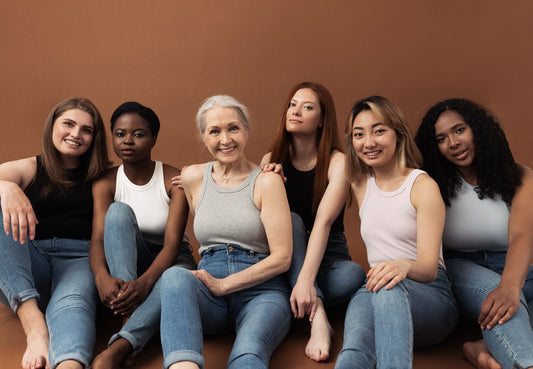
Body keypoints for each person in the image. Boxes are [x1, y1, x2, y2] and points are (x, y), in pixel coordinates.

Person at [160, 95, 293, 369]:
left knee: (248, 352)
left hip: (262, 292)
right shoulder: (192, 177)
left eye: (233, 128)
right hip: (210, 290)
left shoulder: (268, 181)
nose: (225, 139)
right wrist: (216, 287)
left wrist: (225, 285)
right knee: (174, 277)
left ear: (246, 130)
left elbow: (283, 258)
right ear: (203, 136)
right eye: (214, 131)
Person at [335, 95, 458, 369]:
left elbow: (429, 269)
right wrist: (273, 165)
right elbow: (312, 160)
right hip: (375, 288)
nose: (368, 142)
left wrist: (402, 265)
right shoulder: (358, 182)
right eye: (359, 134)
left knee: (389, 289)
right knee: (354, 350)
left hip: (430, 298)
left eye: (379, 131)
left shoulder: (422, 185)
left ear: (398, 135)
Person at [415, 98, 533, 369]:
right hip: (461, 269)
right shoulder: (430, 183)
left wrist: (511, 286)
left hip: (513, 266)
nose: (453, 143)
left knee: (508, 295)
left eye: (459, 130)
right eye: (442, 138)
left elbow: (521, 236)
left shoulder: (520, 177)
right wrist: (504, 289)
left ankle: (483, 346)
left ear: (478, 130)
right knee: (497, 296)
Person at [0, 97, 109, 369]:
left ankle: (69, 363)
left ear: (94, 138)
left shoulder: (106, 175)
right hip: (27, 267)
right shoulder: (31, 167)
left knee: (74, 308)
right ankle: (34, 325)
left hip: (79, 263)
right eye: (68, 124)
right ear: (52, 127)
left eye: (86, 130)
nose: (75, 134)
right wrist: (7, 188)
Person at [260, 81, 366, 362]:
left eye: (307, 107)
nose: (296, 111)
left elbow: (323, 223)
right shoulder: (272, 160)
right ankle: (318, 315)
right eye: (292, 105)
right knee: (291, 221)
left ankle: (300, 294)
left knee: (354, 275)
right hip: (285, 255)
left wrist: (306, 280)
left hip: (328, 255)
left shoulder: (338, 162)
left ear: (322, 120)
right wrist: (268, 182)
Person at [89, 102, 196, 369]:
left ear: (153, 138)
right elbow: (99, 240)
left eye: (138, 134)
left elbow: (173, 244)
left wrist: (146, 283)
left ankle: (120, 346)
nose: (127, 140)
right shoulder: (105, 182)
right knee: (117, 213)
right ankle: (130, 316)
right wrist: (102, 278)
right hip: (126, 264)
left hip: (171, 261)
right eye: (119, 133)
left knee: (172, 279)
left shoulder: (174, 179)